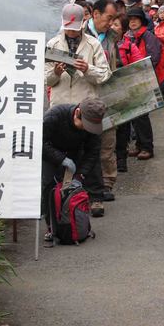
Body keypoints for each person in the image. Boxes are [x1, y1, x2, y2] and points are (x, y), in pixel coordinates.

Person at [45, 2, 112, 217]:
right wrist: (55, 72)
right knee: (58, 152)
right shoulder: (53, 44)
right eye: (68, 27)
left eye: (75, 27)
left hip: (85, 106)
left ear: (83, 22)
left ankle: (95, 197)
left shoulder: (92, 45)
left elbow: (105, 74)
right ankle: (58, 198)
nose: (71, 31)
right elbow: (45, 78)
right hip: (61, 107)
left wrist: (88, 69)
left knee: (90, 150)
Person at [42, 97, 105, 241]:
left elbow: (93, 152)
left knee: (73, 190)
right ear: (77, 112)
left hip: (75, 153)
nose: (87, 129)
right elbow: (40, 142)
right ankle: (51, 226)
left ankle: (74, 224)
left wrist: (80, 175)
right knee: (49, 187)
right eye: (85, 124)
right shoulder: (55, 115)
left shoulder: (93, 126)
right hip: (50, 152)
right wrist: (61, 159)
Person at [85, 0, 119, 201]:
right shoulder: (80, 35)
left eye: (114, 18)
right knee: (87, 144)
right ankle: (86, 185)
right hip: (87, 94)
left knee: (108, 143)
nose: (111, 22)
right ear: (95, 14)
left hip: (108, 94)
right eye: (109, 17)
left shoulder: (113, 37)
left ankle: (107, 183)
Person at [125, 7, 162, 160]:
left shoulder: (148, 36)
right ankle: (140, 145)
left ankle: (147, 147)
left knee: (142, 115)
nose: (133, 21)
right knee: (135, 114)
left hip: (144, 78)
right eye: (130, 19)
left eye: (136, 18)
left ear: (142, 21)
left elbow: (154, 58)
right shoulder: (128, 37)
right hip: (131, 80)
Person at [111, 13, 145, 172]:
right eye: (111, 24)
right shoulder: (101, 44)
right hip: (106, 93)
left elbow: (139, 68)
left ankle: (121, 159)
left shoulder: (130, 46)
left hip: (124, 92)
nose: (112, 27)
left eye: (116, 25)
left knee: (123, 128)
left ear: (123, 29)